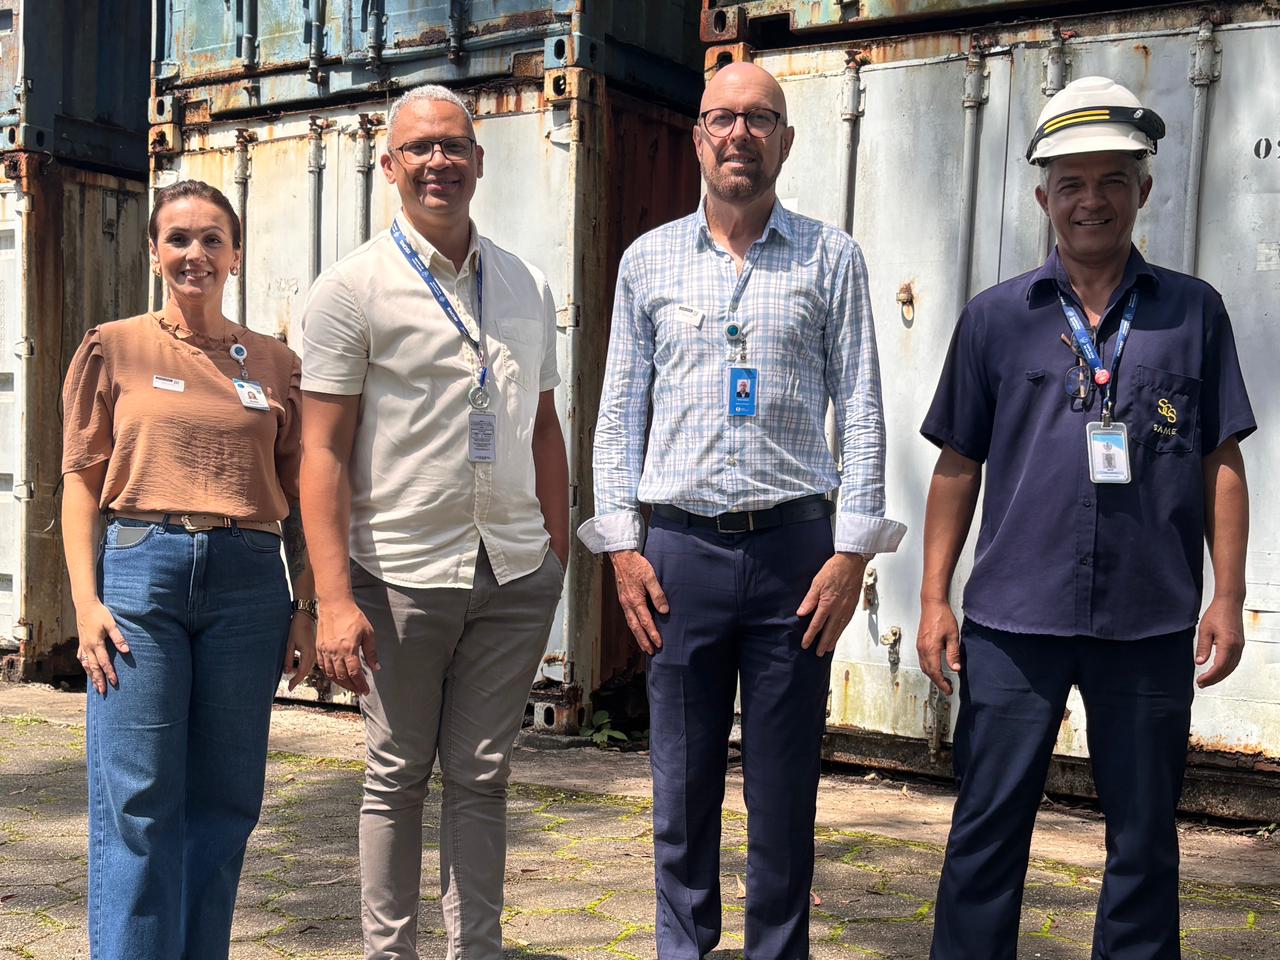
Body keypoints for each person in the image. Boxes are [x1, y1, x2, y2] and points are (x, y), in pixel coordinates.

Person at [917, 76, 1255, 959]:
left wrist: (1227, 597)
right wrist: (933, 598)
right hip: (1012, 622)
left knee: (1143, 842)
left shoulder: (1194, 313)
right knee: (986, 834)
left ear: (1145, 189)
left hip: (1148, 621)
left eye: (1112, 181)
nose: (1091, 201)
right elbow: (957, 464)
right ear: (1044, 198)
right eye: (1071, 183)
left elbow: (1221, 460)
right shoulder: (995, 319)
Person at [578, 62, 906, 960]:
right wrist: (622, 549)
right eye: (721, 118)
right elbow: (619, 412)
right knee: (681, 786)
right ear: (697, 137)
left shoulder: (831, 258)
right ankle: (682, 948)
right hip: (677, 556)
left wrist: (852, 552)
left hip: (796, 556)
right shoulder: (647, 261)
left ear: (785, 141)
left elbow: (862, 408)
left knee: (784, 788)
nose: (739, 135)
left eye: (759, 120)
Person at [298, 85, 569, 960]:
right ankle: (391, 953)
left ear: (480, 161)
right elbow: (322, 453)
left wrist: (554, 558)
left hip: (513, 573)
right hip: (400, 574)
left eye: (453, 145)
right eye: (419, 148)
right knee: (397, 776)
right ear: (390, 165)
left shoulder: (526, 284)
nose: (438, 162)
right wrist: (333, 600)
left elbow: (544, 426)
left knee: (484, 776)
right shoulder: (350, 290)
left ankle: (477, 950)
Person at [60, 179, 316, 960]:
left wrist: (306, 606)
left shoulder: (275, 362)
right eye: (178, 238)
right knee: (139, 800)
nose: (194, 253)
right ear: (153, 253)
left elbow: (303, 496)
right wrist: (85, 603)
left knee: (226, 801)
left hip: (249, 580)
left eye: (211, 239)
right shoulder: (114, 346)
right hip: (143, 573)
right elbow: (81, 481)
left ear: (236, 255)